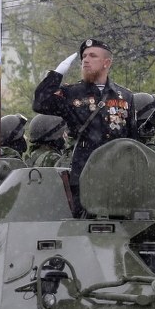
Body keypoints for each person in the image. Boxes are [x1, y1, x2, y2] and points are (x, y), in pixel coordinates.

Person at [33, 39, 139, 216]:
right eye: (84, 56)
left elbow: (133, 141)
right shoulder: (71, 93)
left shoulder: (125, 97)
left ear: (107, 62)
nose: (86, 60)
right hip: (84, 177)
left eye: (92, 56)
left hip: (117, 179)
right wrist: (56, 74)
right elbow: (40, 103)